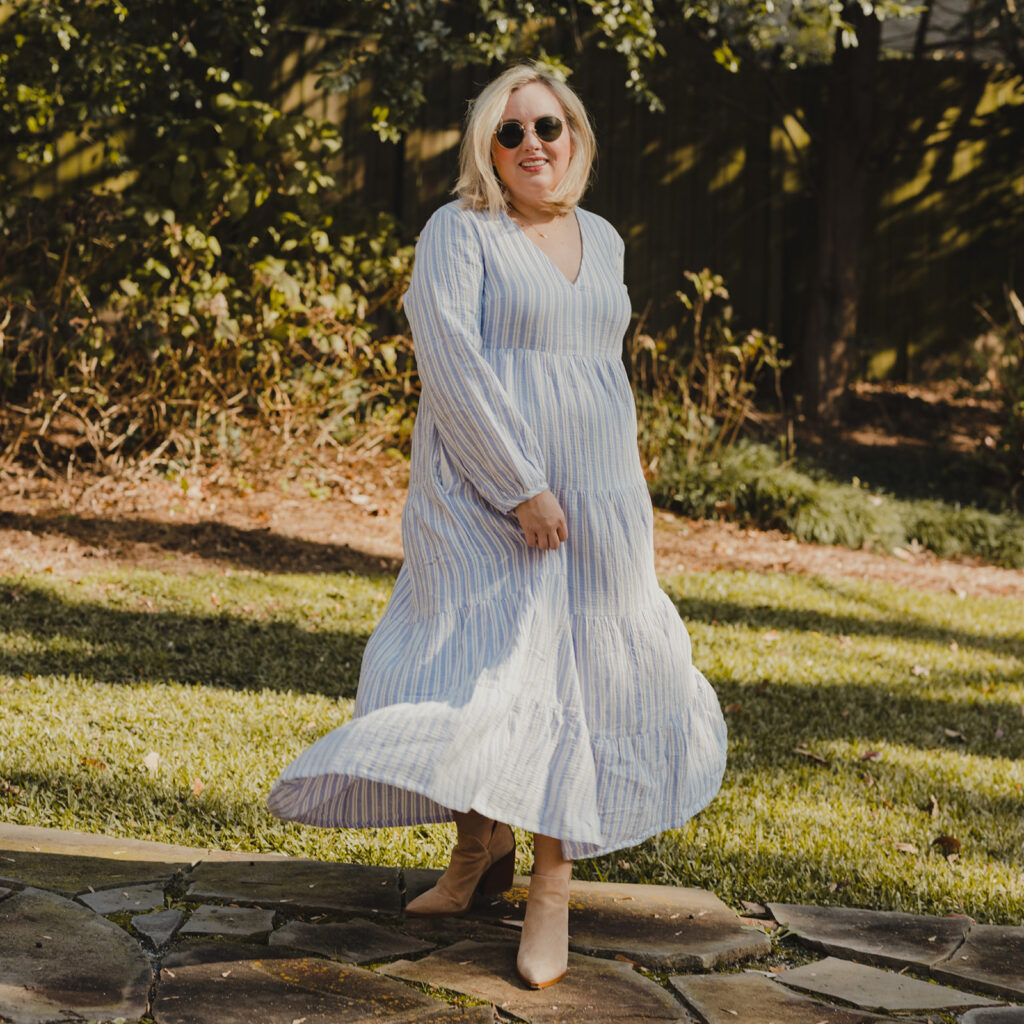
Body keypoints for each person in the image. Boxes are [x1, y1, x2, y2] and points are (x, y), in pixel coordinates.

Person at [268, 62, 728, 991]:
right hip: (482, 493)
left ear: (577, 138)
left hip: (598, 496)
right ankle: (478, 849)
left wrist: (612, 494)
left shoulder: (604, 238)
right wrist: (521, 485)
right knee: (467, 667)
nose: (532, 147)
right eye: (510, 133)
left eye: (547, 128)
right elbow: (451, 361)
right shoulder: (459, 230)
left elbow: (603, 377)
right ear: (486, 147)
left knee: (582, 679)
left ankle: (550, 886)